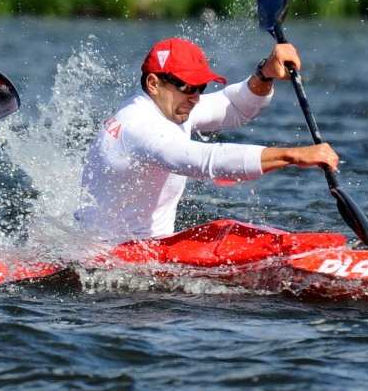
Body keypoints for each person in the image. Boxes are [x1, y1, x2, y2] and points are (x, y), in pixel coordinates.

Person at [75, 37, 340, 243]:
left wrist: (265, 73)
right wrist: (293, 155)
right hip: (110, 257)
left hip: (145, 250)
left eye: (201, 87)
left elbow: (234, 106)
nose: (196, 97)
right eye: (188, 87)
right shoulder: (139, 126)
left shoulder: (172, 106)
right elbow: (204, 161)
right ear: (153, 83)